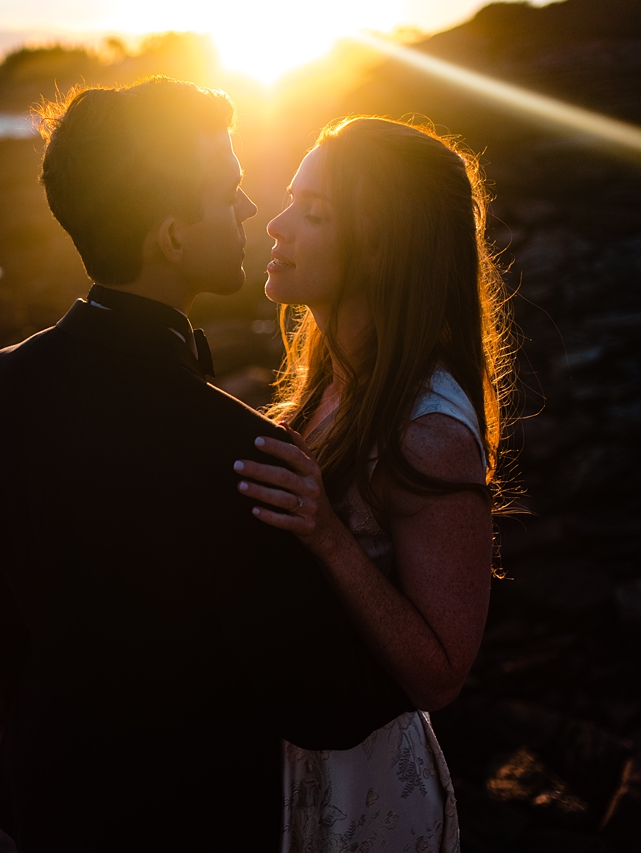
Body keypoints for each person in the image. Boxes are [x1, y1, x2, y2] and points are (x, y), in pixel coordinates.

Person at [0, 78, 411, 852]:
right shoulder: (239, 450)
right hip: (196, 820)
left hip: (50, 798)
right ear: (170, 237)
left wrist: (58, 704)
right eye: (227, 194)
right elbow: (322, 702)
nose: (249, 211)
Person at [234, 117, 512, 852]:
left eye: (315, 213)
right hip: (295, 763)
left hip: (365, 795)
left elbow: (441, 674)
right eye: (290, 200)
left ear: (384, 246)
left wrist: (327, 535)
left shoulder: (429, 433)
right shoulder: (330, 383)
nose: (278, 225)